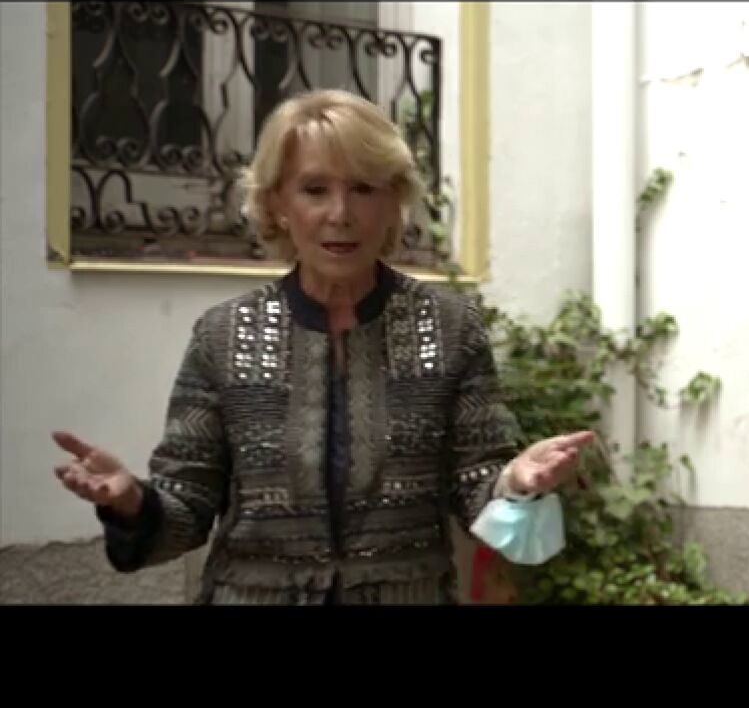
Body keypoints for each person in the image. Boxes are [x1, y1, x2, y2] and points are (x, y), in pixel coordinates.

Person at [52, 88, 591, 605]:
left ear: (392, 202)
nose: (341, 213)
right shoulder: (223, 334)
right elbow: (187, 507)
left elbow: (477, 489)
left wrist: (515, 484)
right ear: (278, 203)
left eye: (363, 188)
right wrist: (131, 502)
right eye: (315, 190)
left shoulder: (451, 328)